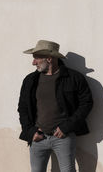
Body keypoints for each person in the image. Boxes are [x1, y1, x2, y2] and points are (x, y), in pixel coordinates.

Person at [17, 40, 93, 172]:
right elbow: (22, 108)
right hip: (38, 137)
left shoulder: (74, 78)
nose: (33, 63)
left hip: (63, 137)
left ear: (49, 58)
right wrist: (30, 131)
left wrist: (67, 126)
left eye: (36, 59)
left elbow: (86, 104)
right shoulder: (30, 80)